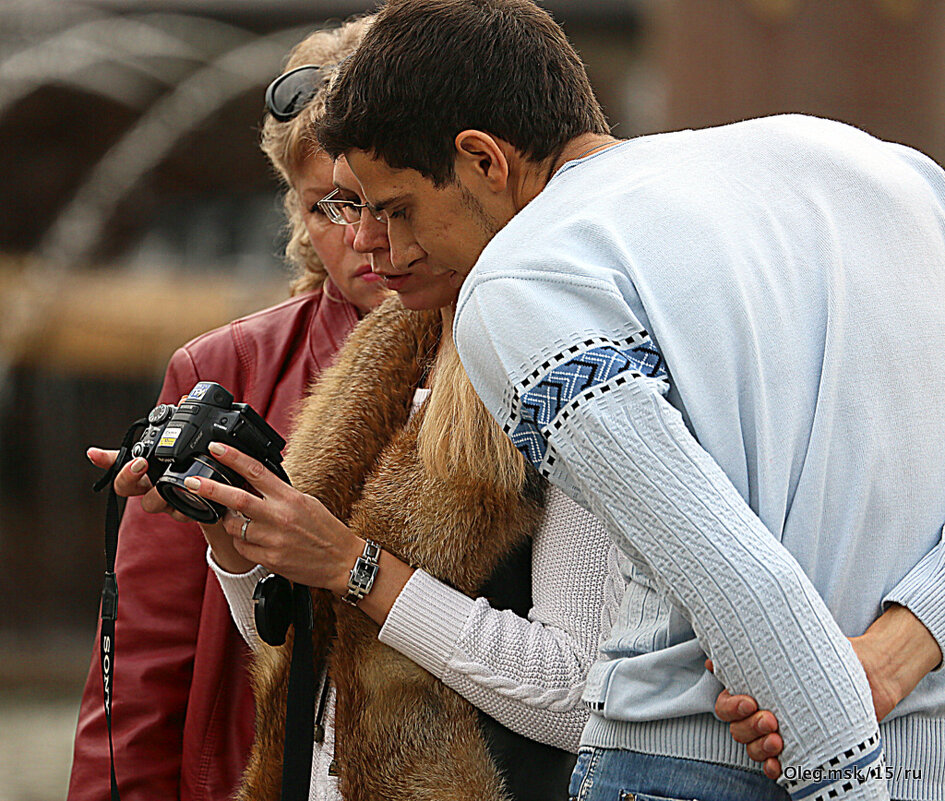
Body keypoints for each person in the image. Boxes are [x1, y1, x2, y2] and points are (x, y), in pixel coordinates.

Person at [312, 2, 945, 800]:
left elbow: (734, 576)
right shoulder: (883, 171)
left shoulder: (521, 279)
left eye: (394, 207)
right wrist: (900, 644)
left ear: (482, 159)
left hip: (698, 761)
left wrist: (851, 778)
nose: (368, 241)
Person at [68, 19, 388, 801]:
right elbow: (142, 665)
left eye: (379, 200)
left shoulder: (518, 350)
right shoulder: (223, 369)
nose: (361, 237)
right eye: (326, 208)